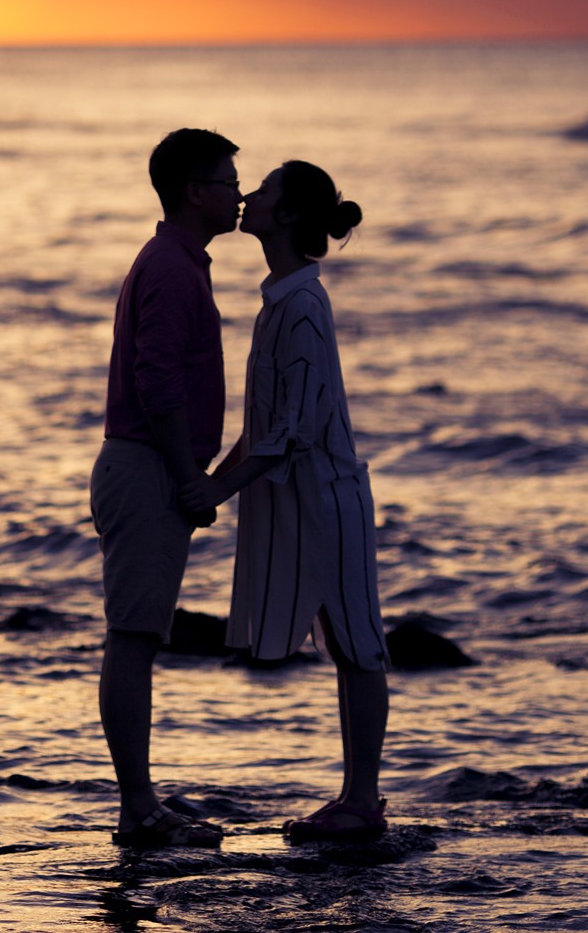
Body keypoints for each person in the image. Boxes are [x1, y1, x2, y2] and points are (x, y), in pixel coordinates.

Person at [198, 160, 391, 843]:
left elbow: (292, 432)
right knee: (347, 642)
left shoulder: (302, 307)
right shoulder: (283, 298)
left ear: (285, 215)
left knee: (357, 643)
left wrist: (216, 488)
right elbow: (266, 425)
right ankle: (355, 797)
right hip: (303, 501)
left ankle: (362, 802)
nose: (249, 196)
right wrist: (214, 482)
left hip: (326, 501)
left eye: (265, 191)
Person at [90, 127, 242, 848]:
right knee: (132, 637)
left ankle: (141, 802)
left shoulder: (178, 262)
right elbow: (156, 381)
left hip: (148, 464)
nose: (237, 195)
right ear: (193, 191)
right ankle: (139, 807)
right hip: (149, 466)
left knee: (138, 634)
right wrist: (189, 476)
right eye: (227, 183)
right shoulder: (174, 268)